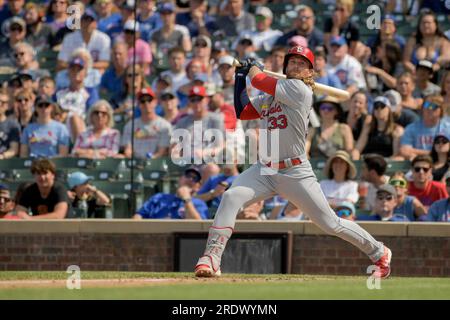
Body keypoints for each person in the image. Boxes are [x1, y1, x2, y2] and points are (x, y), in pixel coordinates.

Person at [194, 46, 392, 279]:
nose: (295, 66)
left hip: (295, 170)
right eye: (292, 62)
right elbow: (244, 111)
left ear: (310, 71)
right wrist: (240, 76)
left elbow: (259, 80)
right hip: (264, 168)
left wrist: (254, 69)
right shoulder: (272, 94)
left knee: (330, 223)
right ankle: (211, 258)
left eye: (301, 63)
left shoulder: (300, 89)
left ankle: (379, 252)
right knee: (230, 197)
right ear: (286, 67)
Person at [133, 167, 208, 220]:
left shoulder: (199, 204)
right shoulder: (159, 197)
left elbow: (198, 227)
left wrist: (186, 199)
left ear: (198, 187)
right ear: (180, 179)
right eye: (188, 175)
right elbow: (139, 216)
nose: (190, 179)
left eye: (195, 178)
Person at [121, 87, 172, 159]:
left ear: (155, 102)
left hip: (155, 165)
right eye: (142, 101)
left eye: (149, 100)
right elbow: (128, 150)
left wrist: (148, 161)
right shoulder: (130, 125)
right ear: (138, 104)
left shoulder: (164, 125)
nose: (146, 103)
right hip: (134, 164)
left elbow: (161, 152)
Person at [400, 94, 450, 160]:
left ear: (441, 110)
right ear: (422, 108)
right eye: (426, 105)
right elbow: (404, 151)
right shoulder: (411, 128)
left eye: (433, 106)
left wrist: (414, 151)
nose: (429, 108)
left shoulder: (447, 128)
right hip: (420, 165)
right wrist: (434, 153)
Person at [403, 9, 450, 74]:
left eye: (429, 23)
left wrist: (427, 72)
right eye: (423, 22)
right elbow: (406, 61)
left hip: (436, 76)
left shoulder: (443, 41)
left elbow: (445, 59)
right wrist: (417, 72)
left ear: (435, 25)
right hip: (415, 75)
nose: (426, 25)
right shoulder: (412, 40)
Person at [0, 91, 20, 159]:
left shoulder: (12, 125)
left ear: (7, 106)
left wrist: (2, 156)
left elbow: (14, 150)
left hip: (4, 164)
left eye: (3, 102)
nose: (0, 104)